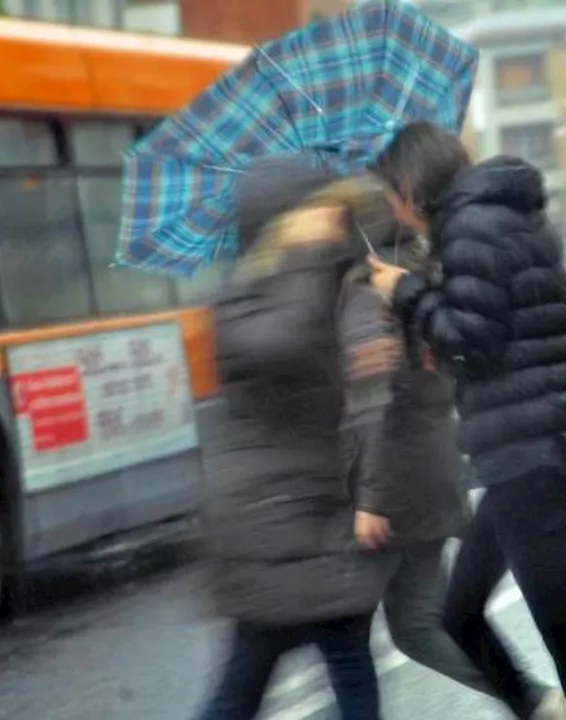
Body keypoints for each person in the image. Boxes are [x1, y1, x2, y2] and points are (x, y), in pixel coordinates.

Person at [367, 122, 566, 720]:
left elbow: (475, 342)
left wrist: (405, 293)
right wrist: (435, 300)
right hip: (535, 442)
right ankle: (537, 710)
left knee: (561, 636)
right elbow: (502, 327)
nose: (389, 206)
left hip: (527, 451)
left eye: (389, 191)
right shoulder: (500, 216)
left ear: (411, 183)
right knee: (463, 616)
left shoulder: (470, 228)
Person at [340, 203, 566, 719]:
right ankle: (533, 699)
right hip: (430, 470)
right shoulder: (423, 275)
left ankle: (532, 698)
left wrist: (370, 496)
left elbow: (378, 402)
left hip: (394, 484)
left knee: (362, 630)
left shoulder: (371, 292)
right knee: (418, 623)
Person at [195, 156, 400, 720]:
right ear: (285, 223)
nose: (334, 222)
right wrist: (310, 256)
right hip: (275, 515)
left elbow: (370, 394)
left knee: (339, 662)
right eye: (320, 212)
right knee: (249, 680)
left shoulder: (342, 284)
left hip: (320, 509)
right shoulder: (242, 298)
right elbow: (281, 347)